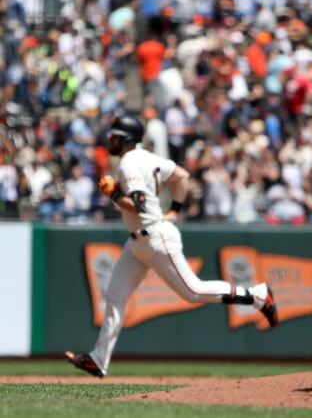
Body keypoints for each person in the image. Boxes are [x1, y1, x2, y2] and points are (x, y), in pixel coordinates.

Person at [65, 116, 278, 377]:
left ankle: (257, 296)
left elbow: (140, 207)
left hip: (155, 237)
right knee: (114, 296)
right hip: (138, 243)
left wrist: (113, 195)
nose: (111, 140)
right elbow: (181, 176)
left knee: (193, 291)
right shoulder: (148, 157)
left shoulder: (129, 162)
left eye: (115, 136)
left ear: (126, 138)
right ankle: (98, 360)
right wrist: (175, 209)